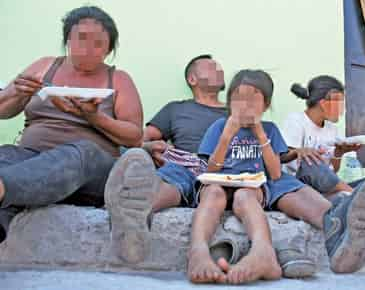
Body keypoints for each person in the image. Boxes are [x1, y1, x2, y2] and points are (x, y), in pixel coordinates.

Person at [105, 56, 315, 279]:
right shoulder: (187, 113)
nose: (218, 68)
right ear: (192, 78)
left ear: (265, 104)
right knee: (187, 177)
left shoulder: (265, 127)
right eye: (210, 65)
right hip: (203, 172)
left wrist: (271, 139)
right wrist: (149, 148)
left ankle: (272, 248)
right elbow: (204, 166)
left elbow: (275, 170)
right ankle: (140, 215)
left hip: (250, 183)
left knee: (276, 184)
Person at [188, 70, 365, 284]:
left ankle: (265, 252)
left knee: (245, 195)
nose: (245, 106)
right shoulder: (218, 127)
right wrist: (226, 136)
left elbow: (276, 173)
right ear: (229, 102)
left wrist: (260, 134)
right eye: (239, 99)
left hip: (254, 187)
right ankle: (198, 252)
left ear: (266, 106)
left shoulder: (269, 129)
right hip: (219, 183)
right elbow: (211, 171)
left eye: (253, 101)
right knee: (212, 192)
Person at [0, 6, 143, 243]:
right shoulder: (45, 66)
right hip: (31, 159)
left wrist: (94, 117)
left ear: (109, 49)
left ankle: (4, 186)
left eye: (98, 43)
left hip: (89, 170)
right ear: (68, 40)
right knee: (6, 155)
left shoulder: (119, 79)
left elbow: (135, 136)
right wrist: (17, 93)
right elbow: (4, 111)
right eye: (81, 39)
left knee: (81, 152)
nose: (87, 49)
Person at [280, 75, 365, 217]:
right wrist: (300, 151)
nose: (342, 109)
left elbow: (332, 171)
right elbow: (282, 156)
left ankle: (351, 200)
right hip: (300, 190)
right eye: (339, 103)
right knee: (312, 162)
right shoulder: (296, 120)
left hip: (327, 193)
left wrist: (339, 153)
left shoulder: (331, 129)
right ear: (324, 103)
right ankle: (363, 201)